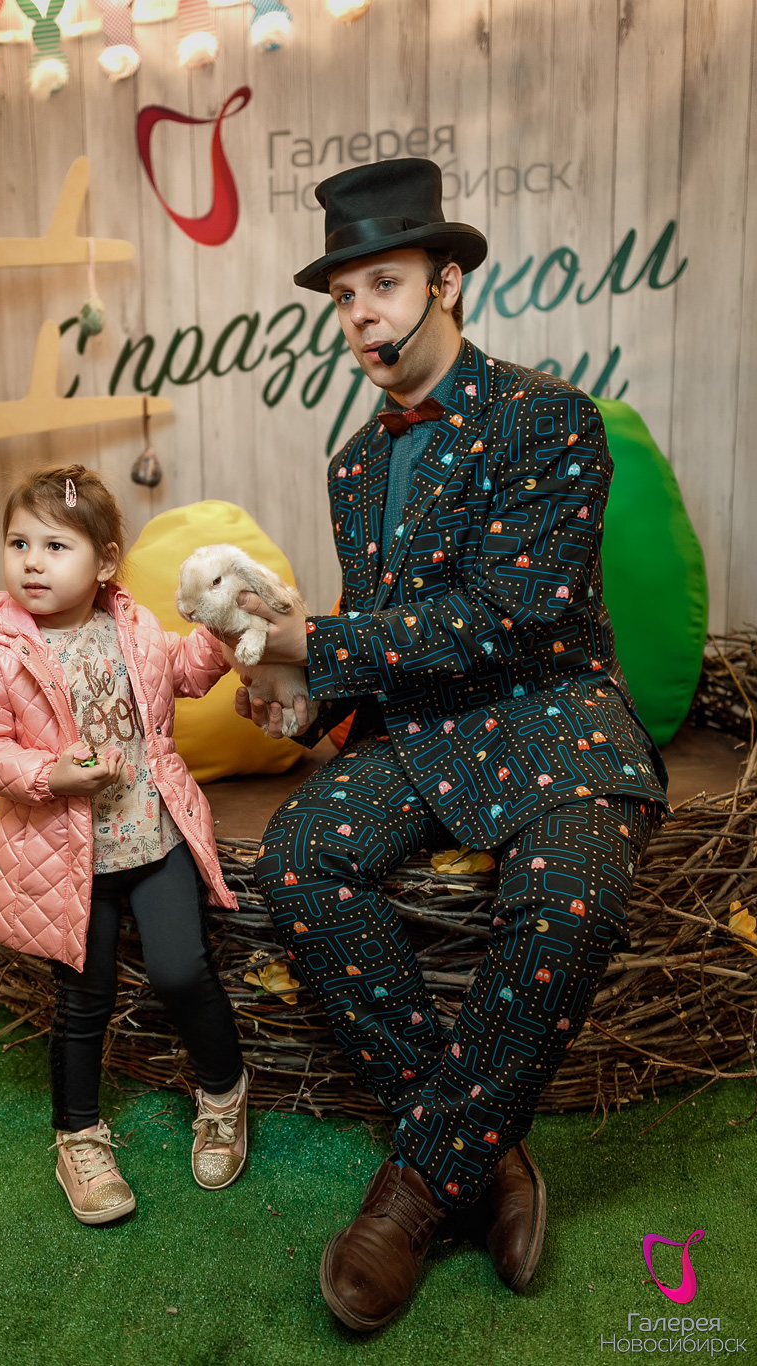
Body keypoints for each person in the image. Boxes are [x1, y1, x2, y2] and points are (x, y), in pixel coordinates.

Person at [236, 158, 669, 1330]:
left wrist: (313, 641)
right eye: (343, 296)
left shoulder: (549, 419)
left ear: (447, 282)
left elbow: (507, 615)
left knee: (570, 896)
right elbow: (383, 623)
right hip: (422, 727)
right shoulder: (352, 463)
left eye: (382, 284)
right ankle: (489, 1151)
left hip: (551, 712)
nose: (360, 315)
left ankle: (417, 1190)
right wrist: (303, 700)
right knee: (300, 859)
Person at [0, 464, 248, 1224]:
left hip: (152, 836)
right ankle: (78, 1137)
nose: (32, 562)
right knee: (84, 998)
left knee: (183, 971)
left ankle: (224, 1095)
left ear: (106, 561)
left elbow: (184, 673)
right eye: (19, 543)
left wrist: (224, 628)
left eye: (56, 546)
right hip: (68, 856)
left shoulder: (133, 626)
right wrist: (47, 773)